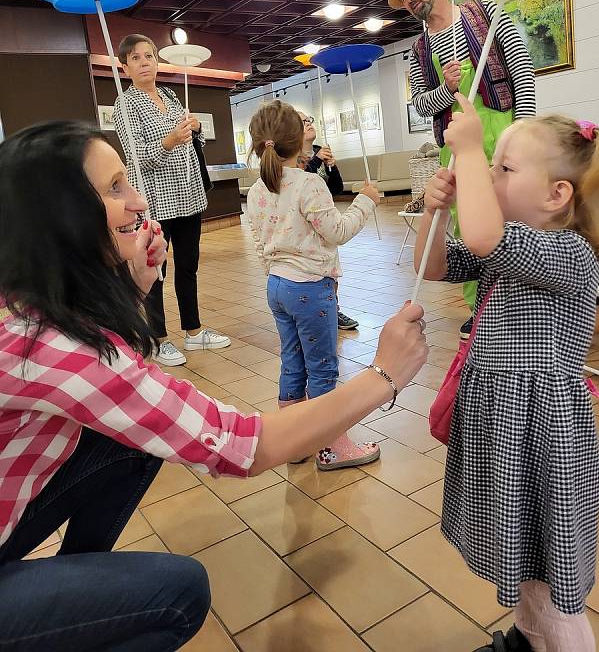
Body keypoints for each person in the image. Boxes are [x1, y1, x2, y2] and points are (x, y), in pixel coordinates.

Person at [0, 120, 428, 650]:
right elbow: (240, 445)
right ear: (59, 217)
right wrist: (383, 377)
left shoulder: (28, 305)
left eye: (128, 181)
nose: (138, 200)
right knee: (179, 592)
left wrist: (135, 286)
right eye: (115, 188)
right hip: (312, 290)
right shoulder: (46, 347)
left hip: (279, 287)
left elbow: (117, 390)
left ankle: (77, 589)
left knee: (133, 443)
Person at [414, 94, 599, 652]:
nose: (489, 175)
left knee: (549, 577)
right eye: (490, 165)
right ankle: (526, 637)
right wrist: (435, 211)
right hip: (502, 428)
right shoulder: (509, 248)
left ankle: (552, 637)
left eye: (503, 168)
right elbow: (437, 264)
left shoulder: (570, 254)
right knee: (519, 557)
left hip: (543, 434)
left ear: (556, 195)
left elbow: (484, 237)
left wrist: (469, 149)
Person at [389, 0, 536, 335]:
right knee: (466, 226)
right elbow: (422, 105)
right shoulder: (419, 50)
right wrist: (447, 90)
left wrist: (524, 133)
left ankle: (520, 303)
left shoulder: (485, 13)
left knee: (515, 218)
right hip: (454, 146)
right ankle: (481, 308)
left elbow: (522, 69)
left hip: (502, 131)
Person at [246, 100, 384, 471]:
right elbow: (337, 232)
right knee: (323, 369)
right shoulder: (310, 183)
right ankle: (332, 445)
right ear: (298, 142)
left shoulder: (257, 190)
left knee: (292, 363)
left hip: (277, 287)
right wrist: (365, 202)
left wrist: (276, 273)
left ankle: (294, 442)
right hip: (309, 287)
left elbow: (260, 242)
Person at [114, 33, 230, 367]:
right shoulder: (126, 104)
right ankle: (158, 339)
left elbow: (194, 143)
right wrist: (169, 140)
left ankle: (193, 332)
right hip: (156, 202)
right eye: (135, 58)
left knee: (189, 267)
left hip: (188, 195)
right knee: (155, 271)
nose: (144, 62)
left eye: (148, 55)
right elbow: (137, 158)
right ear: (125, 67)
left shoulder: (169, 94)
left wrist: (194, 130)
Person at [297, 110, 359, 331]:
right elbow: (303, 179)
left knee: (331, 267)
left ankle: (333, 309)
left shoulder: (318, 150)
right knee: (313, 271)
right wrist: (315, 161)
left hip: (325, 217)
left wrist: (332, 166)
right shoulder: (294, 157)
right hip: (304, 224)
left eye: (309, 120)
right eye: (303, 122)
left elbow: (336, 188)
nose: (309, 124)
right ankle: (317, 312)